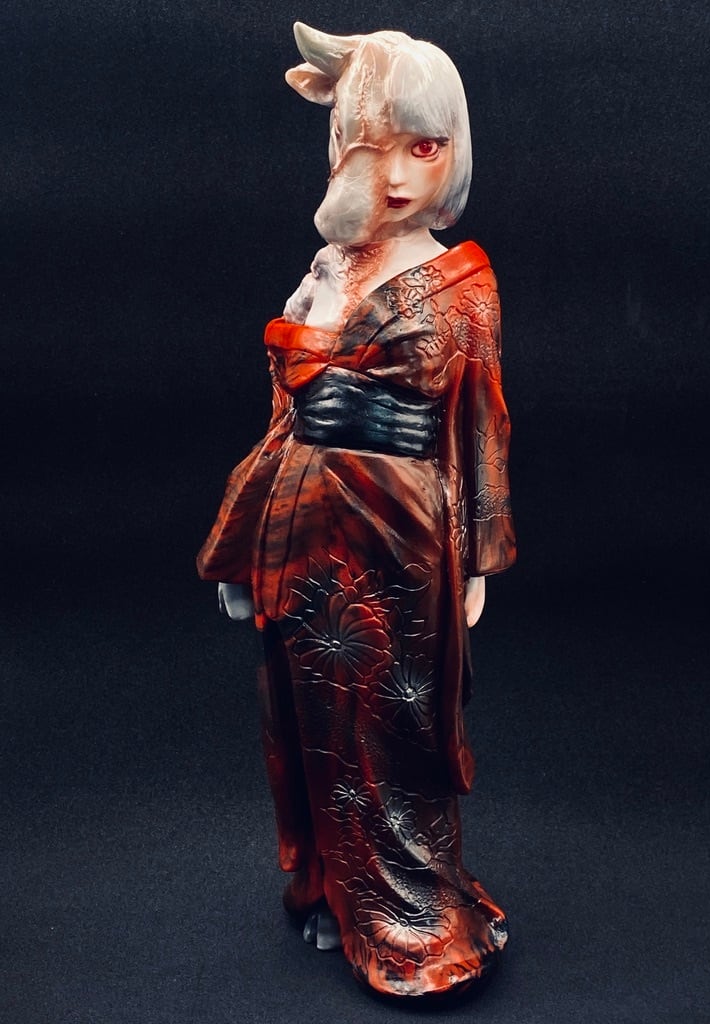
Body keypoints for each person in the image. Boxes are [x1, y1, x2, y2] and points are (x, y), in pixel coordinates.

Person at [197, 22, 517, 998]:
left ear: (453, 149)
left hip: (402, 531)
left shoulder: (461, 284)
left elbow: (480, 423)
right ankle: (329, 893)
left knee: (396, 725)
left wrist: (476, 557)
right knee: (306, 712)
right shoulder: (326, 272)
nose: (400, 173)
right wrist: (249, 534)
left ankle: (417, 923)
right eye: (374, 145)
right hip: (304, 520)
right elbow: (284, 407)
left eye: (425, 146)